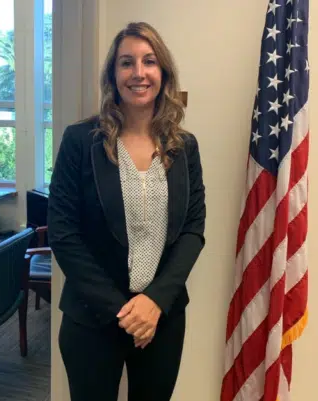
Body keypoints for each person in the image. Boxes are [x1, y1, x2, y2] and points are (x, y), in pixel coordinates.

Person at [47, 21, 205, 401]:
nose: (138, 72)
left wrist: (154, 302)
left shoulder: (184, 146)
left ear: (163, 72)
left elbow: (193, 229)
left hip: (161, 317)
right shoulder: (80, 141)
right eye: (126, 62)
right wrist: (125, 313)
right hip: (91, 318)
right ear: (112, 74)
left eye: (149, 61)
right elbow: (63, 234)